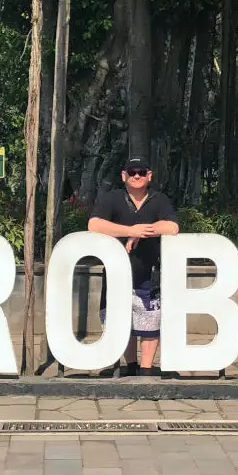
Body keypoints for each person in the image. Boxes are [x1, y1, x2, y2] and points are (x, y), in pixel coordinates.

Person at [88, 155, 179, 376]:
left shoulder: (159, 199)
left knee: (149, 322)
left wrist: (143, 231)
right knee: (121, 321)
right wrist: (130, 232)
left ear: (149, 175)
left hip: (149, 273)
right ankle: (130, 365)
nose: (136, 176)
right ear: (124, 176)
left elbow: (172, 227)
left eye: (141, 172)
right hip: (116, 273)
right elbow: (94, 224)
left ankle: (146, 369)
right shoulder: (111, 199)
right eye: (132, 172)